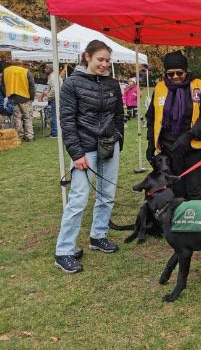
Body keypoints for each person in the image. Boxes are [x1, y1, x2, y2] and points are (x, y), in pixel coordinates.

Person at [54, 40, 124, 274]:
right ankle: (64, 250)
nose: (104, 64)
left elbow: (118, 114)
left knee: (107, 195)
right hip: (84, 149)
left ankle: (98, 235)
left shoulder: (113, 84)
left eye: (107, 60)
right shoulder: (72, 84)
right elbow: (67, 121)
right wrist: (76, 153)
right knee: (78, 200)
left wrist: (118, 138)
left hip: (109, 146)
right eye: (100, 60)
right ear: (87, 57)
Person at [146, 50, 201, 201]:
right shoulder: (159, 88)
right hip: (170, 147)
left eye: (179, 73)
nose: (175, 77)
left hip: (194, 145)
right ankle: (177, 220)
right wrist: (151, 143)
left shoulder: (199, 86)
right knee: (175, 186)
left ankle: (195, 221)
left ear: (185, 70)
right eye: (171, 74)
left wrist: (189, 136)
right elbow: (151, 117)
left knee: (195, 188)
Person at [1, 60, 36, 141]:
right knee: (27, 117)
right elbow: (32, 86)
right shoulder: (25, 71)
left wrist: (6, 95)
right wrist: (32, 98)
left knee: (17, 118)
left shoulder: (6, 71)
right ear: (21, 64)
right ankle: (29, 136)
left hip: (12, 97)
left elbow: (2, 86)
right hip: (25, 97)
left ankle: (19, 136)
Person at [45, 63, 62, 138]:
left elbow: (54, 89)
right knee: (55, 116)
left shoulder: (52, 77)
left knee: (53, 116)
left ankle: (54, 133)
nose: (45, 69)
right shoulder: (54, 76)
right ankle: (56, 132)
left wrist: (48, 95)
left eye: (46, 68)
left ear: (50, 69)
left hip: (55, 99)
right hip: (57, 98)